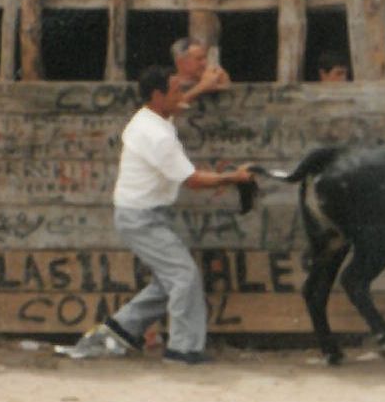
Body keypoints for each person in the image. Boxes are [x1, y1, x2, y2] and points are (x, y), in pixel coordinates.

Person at [58, 65, 255, 365]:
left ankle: (120, 329)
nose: (181, 96)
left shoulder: (151, 117)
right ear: (157, 95)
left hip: (142, 214)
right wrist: (234, 177)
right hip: (141, 218)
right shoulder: (156, 135)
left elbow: (177, 104)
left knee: (168, 280)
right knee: (184, 277)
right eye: (175, 90)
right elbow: (192, 180)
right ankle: (183, 350)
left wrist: (201, 88)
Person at [168, 36, 230, 113]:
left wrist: (225, 86)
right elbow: (167, 110)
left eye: (205, 58)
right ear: (181, 63)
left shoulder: (211, 79)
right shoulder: (166, 84)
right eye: (199, 59)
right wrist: (201, 88)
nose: (205, 63)